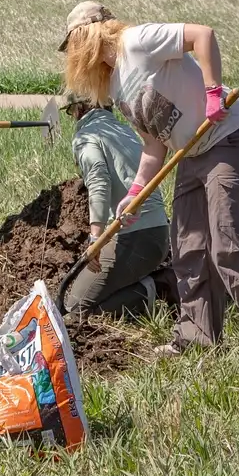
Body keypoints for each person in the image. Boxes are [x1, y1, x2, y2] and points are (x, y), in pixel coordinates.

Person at [60, 0, 239, 370]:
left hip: (229, 138)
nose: (73, 58)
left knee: (228, 241)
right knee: (188, 246)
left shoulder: (137, 41)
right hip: (191, 154)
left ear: (88, 35)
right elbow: (153, 145)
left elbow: (202, 35)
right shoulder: (115, 85)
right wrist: (134, 194)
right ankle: (196, 337)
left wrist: (212, 93)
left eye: (73, 45)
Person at [59, 88, 170, 321]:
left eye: (71, 112)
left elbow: (99, 181)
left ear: (79, 109)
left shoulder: (86, 137)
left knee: (76, 310)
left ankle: (160, 289)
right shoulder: (125, 130)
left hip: (136, 237)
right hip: (158, 231)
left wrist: (96, 238)